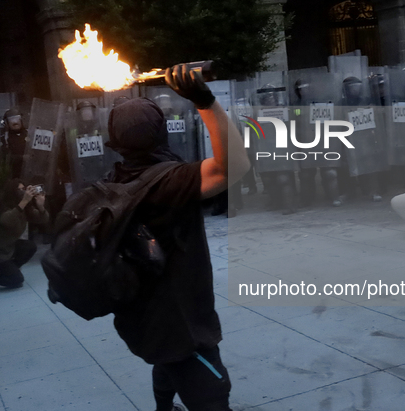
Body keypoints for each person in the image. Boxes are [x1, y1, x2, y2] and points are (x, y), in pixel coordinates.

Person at [106, 64, 249, 411]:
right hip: (181, 320)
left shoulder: (112, 181)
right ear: (161, 133)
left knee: (166, 359)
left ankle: (163, 408)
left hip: (143, 317)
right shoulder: (170, 180)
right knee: (209, 391)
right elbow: (235, 166)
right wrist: (204, 100)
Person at [1, 108, 28, 179]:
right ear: (6, 123)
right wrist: (22, 158)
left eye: (17, 119)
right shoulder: (4, 139)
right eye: (11, 120)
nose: (15, 122)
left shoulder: (30, 134)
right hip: (14, 175)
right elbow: (5, 158)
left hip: (31, 171)